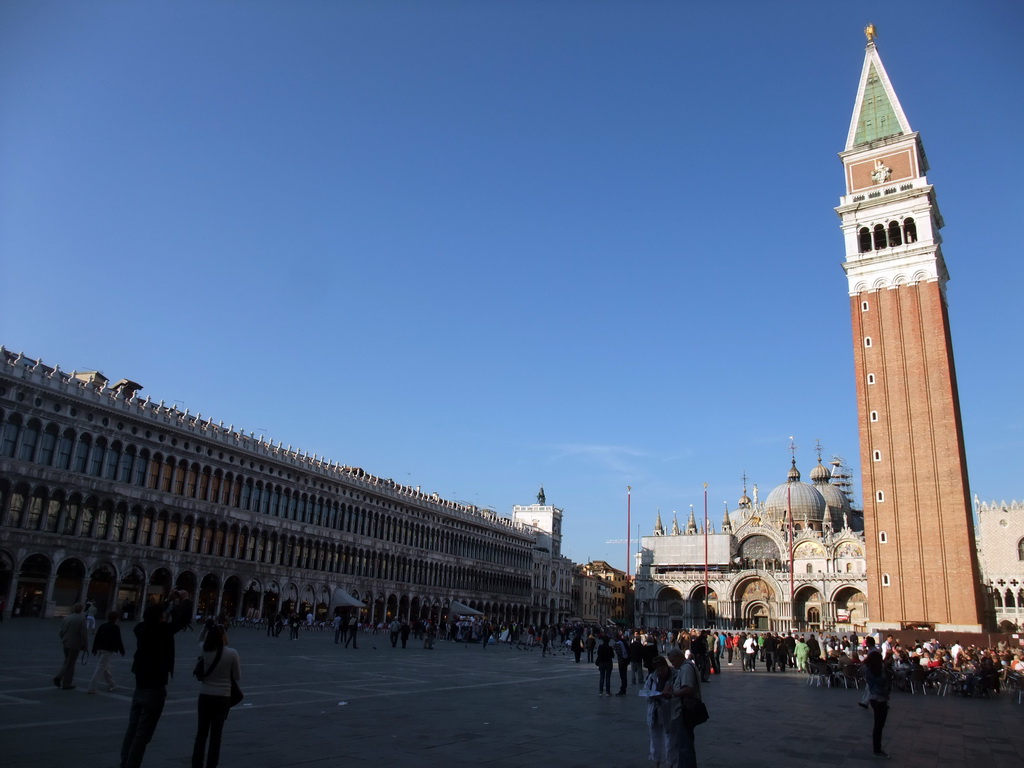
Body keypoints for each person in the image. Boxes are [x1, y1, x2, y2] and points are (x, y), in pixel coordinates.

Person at [120, 590, 193, 768]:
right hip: (154, 687)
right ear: (160, 618)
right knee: (143, 734)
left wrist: (168, 600)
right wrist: (186, 600)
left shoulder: (142, 629)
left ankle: (125, 761)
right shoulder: (161, 631)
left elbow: (154, 614)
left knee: (133, 728)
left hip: (140, 685)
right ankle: (131, 765)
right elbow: (181, 620)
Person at [191, 624, 241, 768]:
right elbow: (237, 676)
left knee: (201, 734)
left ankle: (196, 764)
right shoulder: (232, 653)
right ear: (222, 636)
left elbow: (199, 640)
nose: (227, 635)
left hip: (205, 696)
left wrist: (206, 628)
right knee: (216, 736)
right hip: (222, 697)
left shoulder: (205, 650)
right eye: (225, 633)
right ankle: (212, 765)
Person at [640, 656, 680, 768]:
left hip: (670, 711)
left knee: (671, 740)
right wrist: (656, 694)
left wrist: (670, 693)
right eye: (658, 670)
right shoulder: (652, 677)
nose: (661, 672)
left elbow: (679, 692)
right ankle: (656, 763)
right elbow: (645, 692)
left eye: (662, 669)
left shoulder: (676, 676)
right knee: (655, 740)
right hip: (655, 712)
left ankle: (671, 764)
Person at [666, 648, 700, 768]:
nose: (673, 664)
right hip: (684, 709)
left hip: (683, 710)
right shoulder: (686, 667)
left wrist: (673, 694)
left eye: (673, 661)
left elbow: (688, 689)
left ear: (680, 657)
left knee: (684, 744)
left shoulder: (686, 668)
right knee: (685, 742)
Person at [862, 636, 891, 759]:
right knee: (878, 726)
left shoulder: (876, 669)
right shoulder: (872, 671)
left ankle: (877, 748)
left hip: (881, 698)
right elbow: (879, 682)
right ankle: (877, 750)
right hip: (877, 697)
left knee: (880, 725)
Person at [88, 611, 126, 693]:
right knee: (101, 668)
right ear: (116, 619)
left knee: (105, 667)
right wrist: (122, 650)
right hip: (108, 650)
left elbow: (97, 637)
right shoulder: (115, 627)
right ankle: (92, 688)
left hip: (100, 648)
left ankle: (111, 683)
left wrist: (94, 648)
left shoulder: (103, 625)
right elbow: (118, 640)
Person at [54, 602, 89, 690]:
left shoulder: (67, 617)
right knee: (71, 664)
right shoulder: (82, 619)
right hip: (75, 643)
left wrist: (63, 639)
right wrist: (85, 645)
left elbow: (61, 632)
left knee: (67, 661)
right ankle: (63, 681)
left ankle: (62, 679)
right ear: (81, 609)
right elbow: (83, 633)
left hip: (66, 642)